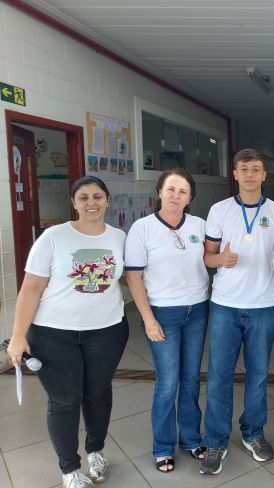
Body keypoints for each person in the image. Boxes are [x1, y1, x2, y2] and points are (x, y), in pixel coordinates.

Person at [7, 176, 128, 488]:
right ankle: (70, 469)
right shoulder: (53, 237)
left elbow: (130, 277)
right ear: (73, 203)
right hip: (54, 335)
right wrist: (18, 336)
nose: (91, 203)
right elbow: (30, 289)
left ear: (107, 200)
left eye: (97, 196)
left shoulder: (119, 237)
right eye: (83, 197)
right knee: (65, 400)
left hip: (107, 332)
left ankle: (96, 452)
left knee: (98, 394)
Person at [200, 148, 274, 475]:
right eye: (244, 169)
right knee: (219, 375)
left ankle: (253, 432)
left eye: (256, 169)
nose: (250, 175)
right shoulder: (219, 210)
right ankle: (216, 440)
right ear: (235, 174)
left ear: (264, 174)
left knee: (258, 375)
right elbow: (207, 256)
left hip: (263, 306)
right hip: (225, 305)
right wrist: (220, 260)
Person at [125, 168, 209, 473]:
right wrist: (148, 319)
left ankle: (190, 438)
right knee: (168, 381)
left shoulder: (199, 225)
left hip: (197, 311)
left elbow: (213, 258)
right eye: (171, 189)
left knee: (191, 379)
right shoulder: (143, 228)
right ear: (160, 192)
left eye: (183, 191)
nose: (176, 196)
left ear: (190, 197)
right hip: (163, 313)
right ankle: (163, 446)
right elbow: (134, 277)